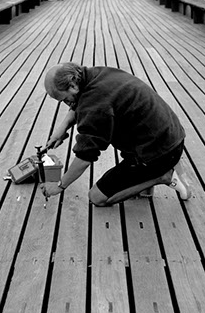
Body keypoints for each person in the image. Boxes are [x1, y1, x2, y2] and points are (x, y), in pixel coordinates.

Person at [39, 62, 192, 206]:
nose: (68, 104)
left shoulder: (95, 104)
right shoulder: (95, 75)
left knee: (97, 197)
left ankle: (162, 175)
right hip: (169, 137)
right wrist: (62, 128)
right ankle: (148, 177)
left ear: (72, 85)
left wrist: (60, 186)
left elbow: (85, 156)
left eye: (65, 100)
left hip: (159, 153)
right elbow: (79, 102)